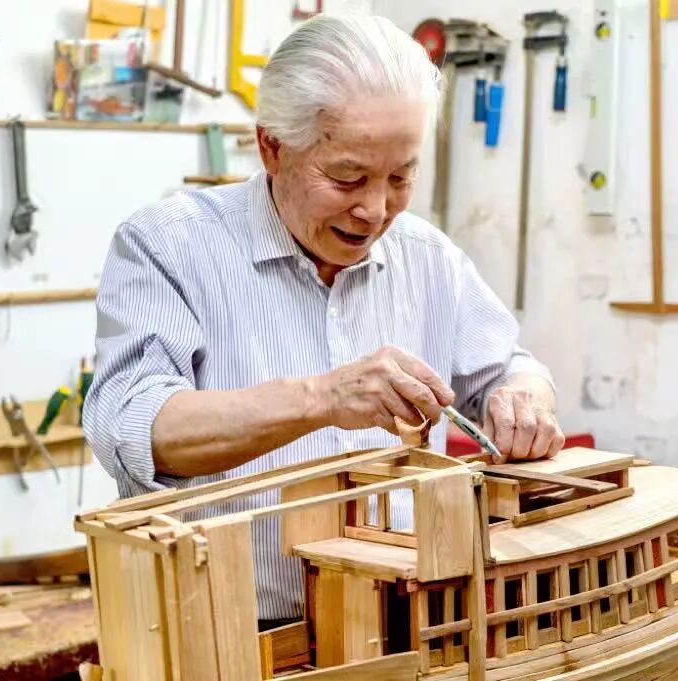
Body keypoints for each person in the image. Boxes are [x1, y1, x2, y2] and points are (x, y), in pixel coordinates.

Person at [84, 12, 564, 626]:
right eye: (347, 177)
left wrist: (523, 400)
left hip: (405, 620)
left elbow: (512, 368)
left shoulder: (428, 257)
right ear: (272, 148)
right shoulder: (167, 245)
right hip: (222, 632)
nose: (375, 209)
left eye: (401, 176)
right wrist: (322, 398)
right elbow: (132, 429)